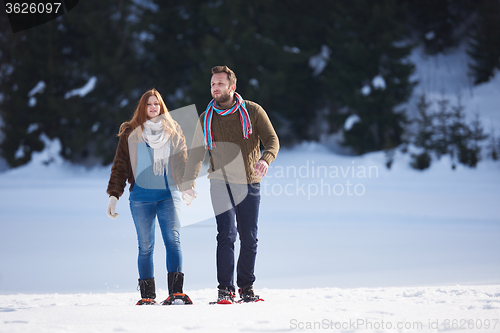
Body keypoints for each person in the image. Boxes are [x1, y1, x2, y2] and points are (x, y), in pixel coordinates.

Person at [180, 66, 279, 303]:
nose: (215, 88)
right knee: (226, 234)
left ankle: (246, 288)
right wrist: (188, 182)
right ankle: (225, 289)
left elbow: (272, 140)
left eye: (220, 84)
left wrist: (265, 160)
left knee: (250, 237)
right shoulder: (206, 118)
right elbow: (196, 155)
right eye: (213, 84)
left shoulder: (253, 111)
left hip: (249, 182)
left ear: (232, 87)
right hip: (219, 182)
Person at [106, 88, 192, 305]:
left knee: (173, 240)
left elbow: (182, 162)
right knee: (145, 246)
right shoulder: (130, 132)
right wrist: (114, 195)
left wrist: (187, 186)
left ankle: (176, 293)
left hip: (168, 195)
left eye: (157, 104)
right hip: (141, 199)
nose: (154, 107)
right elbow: (120, 166)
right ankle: (147, 296)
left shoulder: (173, 131)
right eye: (149, 104)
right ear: (142, 107)